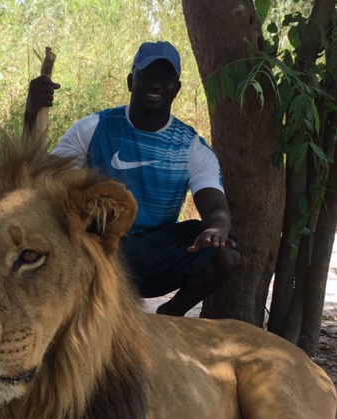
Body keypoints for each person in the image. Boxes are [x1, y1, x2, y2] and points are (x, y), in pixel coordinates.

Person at [24, 41, 240, 316]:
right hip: (102, 248)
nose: (156, 84)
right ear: (130, 81)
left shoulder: (192, 146)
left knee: (227, 252)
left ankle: (171, 314)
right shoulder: (94, 128)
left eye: (165, 77)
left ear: (177, 88)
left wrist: (216, 231)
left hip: (155, 253)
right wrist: (32, 113)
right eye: (147, 75)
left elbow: (217, 210)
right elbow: (37, 180)